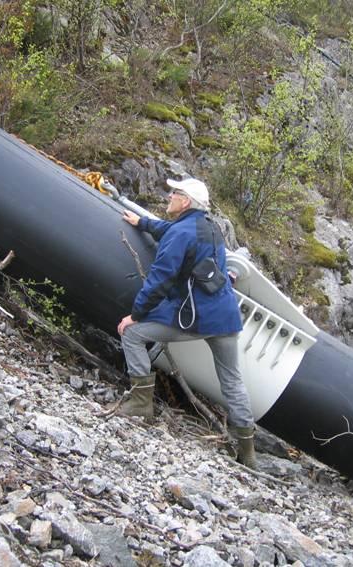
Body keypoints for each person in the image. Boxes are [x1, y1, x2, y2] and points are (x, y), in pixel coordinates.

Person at [117, 177, 257, 468]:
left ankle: (141, 403)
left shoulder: (182, 232)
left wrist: (136, 315)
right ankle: (248, 453)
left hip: (195, 316)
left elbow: (160, 280)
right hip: (226, 315)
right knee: (232, 381)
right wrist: (143, 222)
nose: (170, 196)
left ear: (187, 201)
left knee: (132, 334)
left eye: (175, 192)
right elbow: (169, 230)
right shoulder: (209, 226)